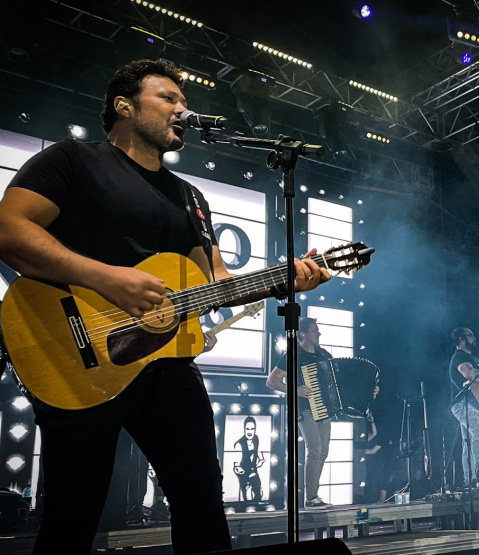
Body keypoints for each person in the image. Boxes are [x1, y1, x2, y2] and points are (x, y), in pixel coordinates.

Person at [0, 58, 329, 554]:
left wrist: (285, 279)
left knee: (201, 505)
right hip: (78, 357)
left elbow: (218, 282)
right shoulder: (72, 160)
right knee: (73, 514)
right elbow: (10, 230)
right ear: (124, 105)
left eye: (184, 101)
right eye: (169, 98)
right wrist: (106, 278)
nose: (182, 108)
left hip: (169, 366)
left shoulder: (190, 197)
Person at [266, 318, 333, 508]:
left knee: (323, 451)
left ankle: (314, 496)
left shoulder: (324, 355)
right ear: (303, 333)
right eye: (314, 331)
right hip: (305, 409)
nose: (318, 334)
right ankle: (311, 498)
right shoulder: (293, 355)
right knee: (315, 449)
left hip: (325, 408)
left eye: (318, 331)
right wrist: (295, 390)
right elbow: (272, 381)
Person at [448, 327, 479, 487]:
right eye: (470, 335)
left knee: (468, 441)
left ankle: (471, 481)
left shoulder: (471, 357)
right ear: (461, 339)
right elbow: (470, 376)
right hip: (464, 404)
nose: (474, 338)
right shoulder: (460, 357)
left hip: (469, 404)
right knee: (478, 434)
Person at [233, 416, 266, 501]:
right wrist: (242, 473)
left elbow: (259, 453)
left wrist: (261, 461)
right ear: (244, 429)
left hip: (254, 472)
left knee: (259, 494)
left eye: (252, 429)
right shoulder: (239, 445)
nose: (249, 431)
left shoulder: (256, 439)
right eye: (247, 429)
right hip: (244, 475)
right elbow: (236, 466)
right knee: (247, 498)